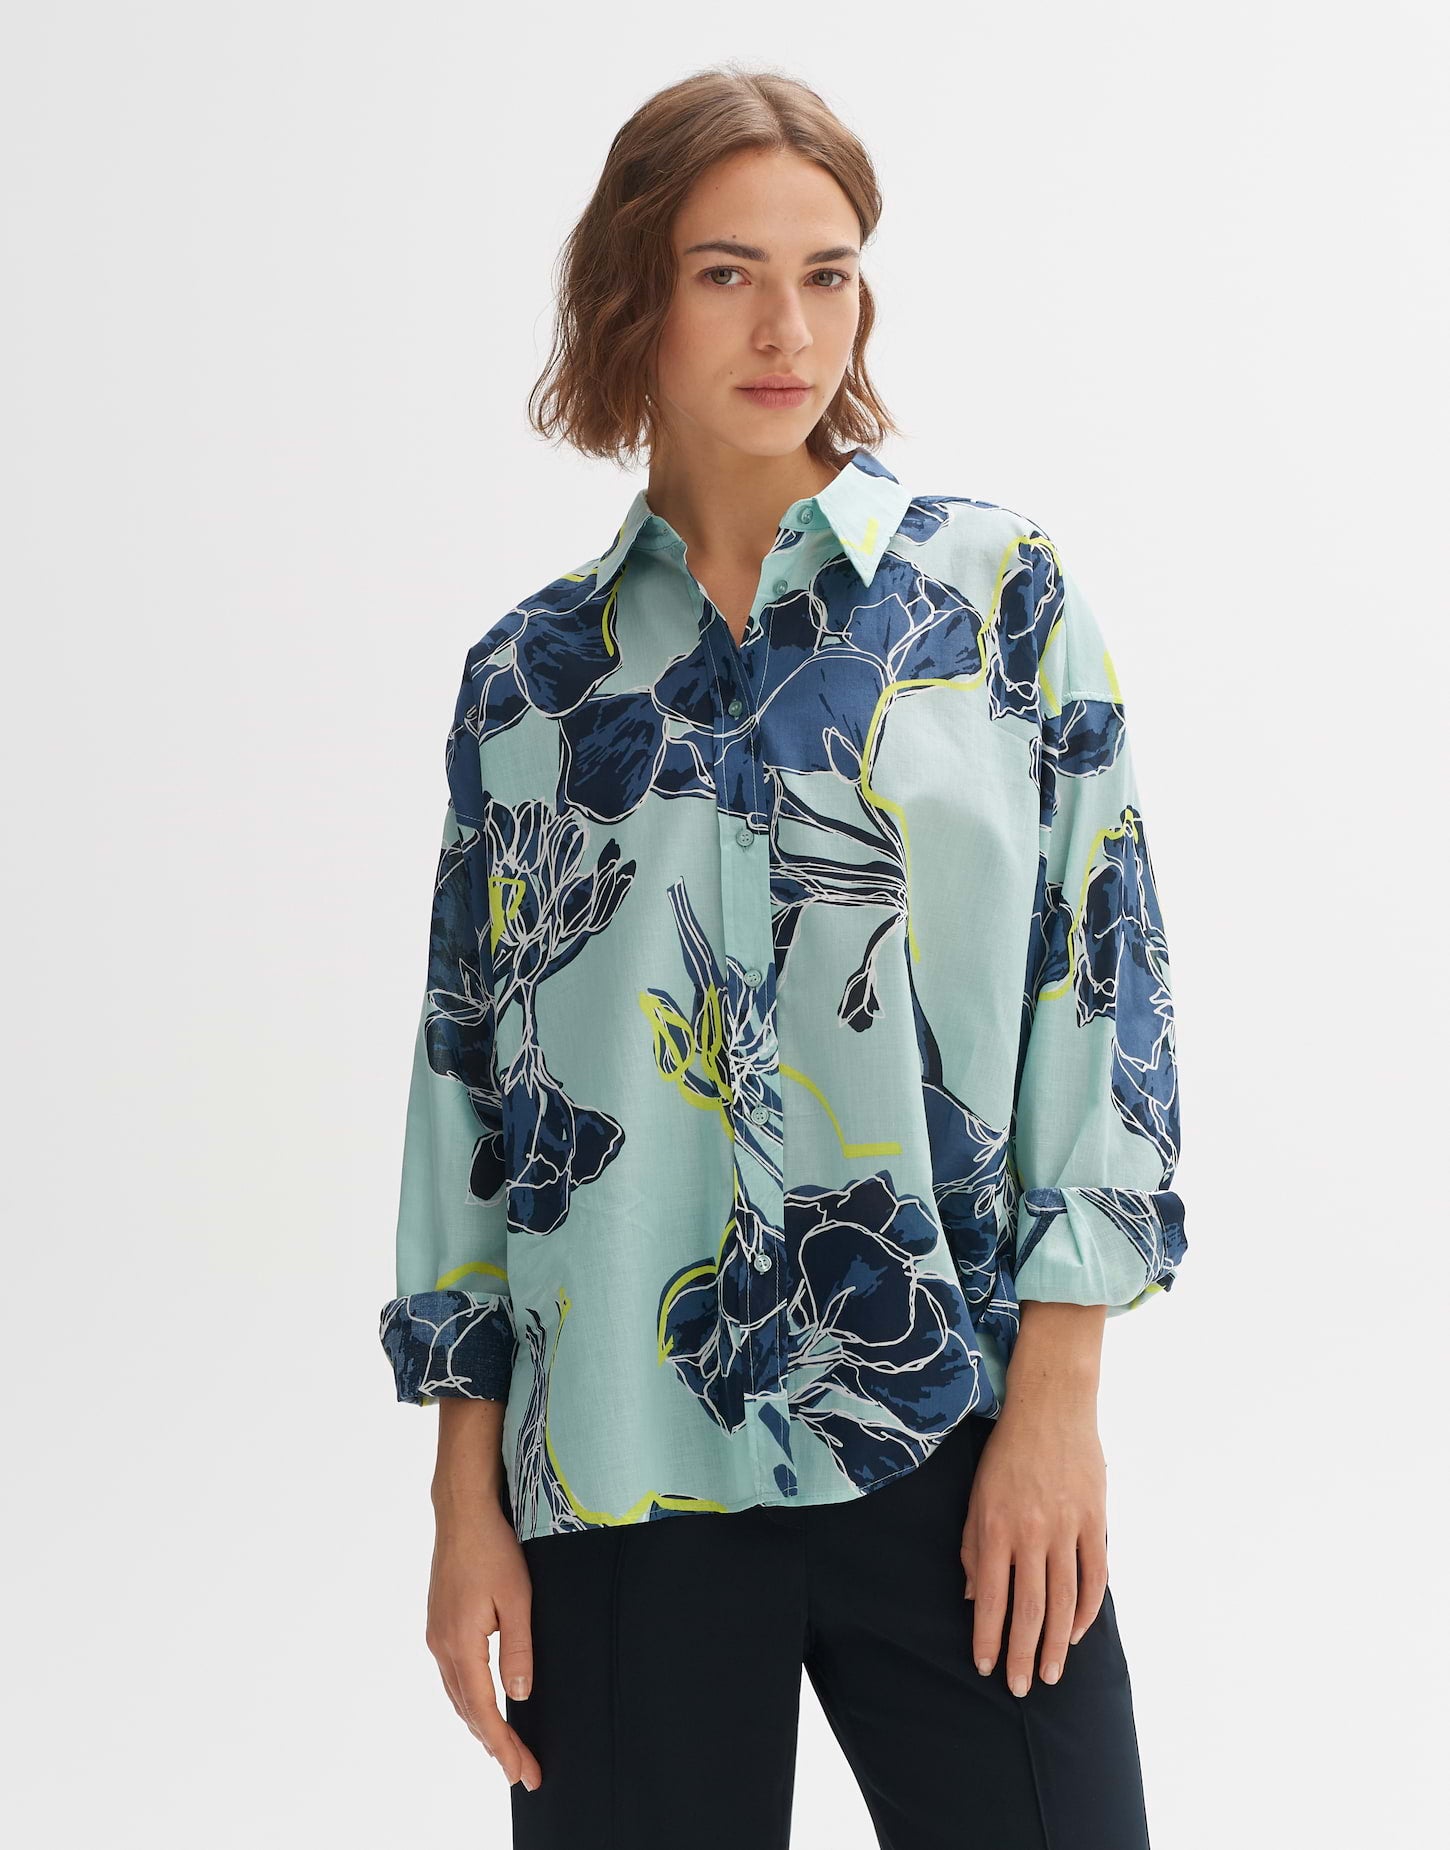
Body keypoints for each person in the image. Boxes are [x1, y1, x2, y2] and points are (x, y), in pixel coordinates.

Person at [377, 66, 1187, 1850]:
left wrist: (1058, 1404)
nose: (787, 329)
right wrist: (462, 1495)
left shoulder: (996, 600)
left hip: (949, 1434)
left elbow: (1100, 995)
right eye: (727, 273)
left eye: (827, 274)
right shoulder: (532, 682)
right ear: (631, 300)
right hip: (619, 1468)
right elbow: (474, 1094)